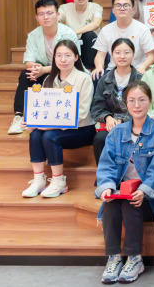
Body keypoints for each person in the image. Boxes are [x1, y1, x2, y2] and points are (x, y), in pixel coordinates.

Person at [95, 81, 154, 284]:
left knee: (130, 203)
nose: (137, 105)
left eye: (142, 100)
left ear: (150, 101)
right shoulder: (116, 133)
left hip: (150, 195)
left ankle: (135, 258)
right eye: (132, 100)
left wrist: (144, 190)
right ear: (125, 103)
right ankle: (114, 258)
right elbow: (106, 166)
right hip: (123, 191)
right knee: (110, 203)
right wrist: (107, 188)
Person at [21, 40, 95, 198]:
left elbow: (82, 113)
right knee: (35, 134)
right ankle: (39, 180)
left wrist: (51, 126)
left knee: (49, 136)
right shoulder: (49, 80)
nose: (63, 59)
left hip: (82, 128)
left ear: (76, 57)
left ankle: (58, 181)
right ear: (54, 58)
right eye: (59, 55)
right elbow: (43, 110)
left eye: (68, 55)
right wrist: (32, 122)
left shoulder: (84, 79)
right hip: (56, 128)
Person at [8, 0, 79, 134]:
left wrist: (43, 70)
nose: (46, 17)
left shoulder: (68, 34)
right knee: (26, 74)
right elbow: (28, 61)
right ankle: (19, 116)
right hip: (45, 72)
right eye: (41, 14)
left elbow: (72, 62)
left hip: (67, 72)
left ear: (58, 15)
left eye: (50, 13)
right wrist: (36, 69)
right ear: (36, 17)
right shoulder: (33, 35)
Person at [91, 38, 143, 165]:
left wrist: (123, 120)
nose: (122, 56)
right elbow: (97, 106)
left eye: (126, 52)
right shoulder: (104, 80)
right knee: (100, 139)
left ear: (133, 54)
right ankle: (104, 175)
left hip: (134, 124)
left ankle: (127, 174)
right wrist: (107, 118)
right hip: (111, 125)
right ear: (111, 54)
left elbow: (143, 106)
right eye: (118, 52)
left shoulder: (141, 79)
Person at [91, 0, 154, 80]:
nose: (122, 8)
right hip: (113, 70)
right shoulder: (106, 30)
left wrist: (143, 67)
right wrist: (99, 67)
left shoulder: (142, 29)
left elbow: (151, 55)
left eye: (126, 5)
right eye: (118, 5)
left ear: (133, 9)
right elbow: (100, 54)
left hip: (136, 70)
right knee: (97, 76)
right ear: (113, 10)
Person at [58, 0, 102, 70]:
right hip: (72, 43)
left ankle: (88, 70)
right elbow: (55, 21)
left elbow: (96, 24)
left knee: (89, 35)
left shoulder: (96, 7)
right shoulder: (64, 8)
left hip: (90, 46)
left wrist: (73, 33)